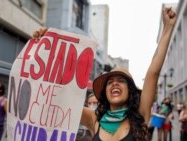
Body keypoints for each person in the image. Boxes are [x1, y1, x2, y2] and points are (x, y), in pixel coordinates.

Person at [33, 7, 177, 141]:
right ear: (106, 92)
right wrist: (49, 46)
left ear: (130, 90)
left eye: (121, 80)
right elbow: (60, 101)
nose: (114, 83)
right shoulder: (94, 119)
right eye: (109, 82)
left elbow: (153, 72)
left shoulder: (140, 116)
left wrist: (168, 28)